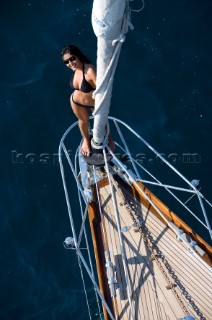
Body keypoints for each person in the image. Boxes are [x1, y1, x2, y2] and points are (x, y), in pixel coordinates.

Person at [61, 44, 115, 156]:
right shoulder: (76, 69)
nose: (70, 63)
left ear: (78, 55)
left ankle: (110, 140)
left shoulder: (89, 70)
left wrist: (97, 96)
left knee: (102, 119)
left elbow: (101, 89)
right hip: (76, 103)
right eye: (66, 62)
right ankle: (86, 141)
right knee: (83, 121)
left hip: (93, 103)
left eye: (72, 58)